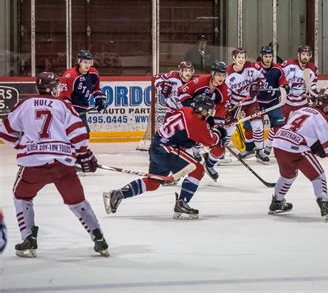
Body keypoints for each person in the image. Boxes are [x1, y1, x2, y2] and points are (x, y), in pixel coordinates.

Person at [0, 72, 109, 257]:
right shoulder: (64, 105)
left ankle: (28, 240)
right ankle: (99, 238)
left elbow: (5, 132)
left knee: (21, 196)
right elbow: (79, 133)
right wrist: (84, 154)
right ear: (54, 88)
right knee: (77, 201)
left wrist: (25, 145)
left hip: (33, 164)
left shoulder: (24, 105)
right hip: (63, 164)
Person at [103, 94, 227, 220]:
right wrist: (219, 132)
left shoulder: (186, 110)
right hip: (166, 150)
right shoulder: (195, 123)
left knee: (153, 183)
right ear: (201, 110)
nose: (210, 114)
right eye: (208, 111)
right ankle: (182, 203)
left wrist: (207, 126)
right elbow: (211, 141)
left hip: (156, 147)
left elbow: (191, 133)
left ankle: (119, 194)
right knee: (198, 169)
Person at [270, 94, 328, 221]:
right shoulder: (323, 120)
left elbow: (297, 128)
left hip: (278, 143)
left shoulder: (301, 110)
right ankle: (325, 205)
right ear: (326, 109)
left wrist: (313, 144)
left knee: (288, 176)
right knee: (318, 175)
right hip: (297, 148)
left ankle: (277, 201)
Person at [178, 61, 230, 180]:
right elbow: (182, 92)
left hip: (207, 119)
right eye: (219, 75)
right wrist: (191, 108)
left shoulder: (225, 91)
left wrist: (216, 127)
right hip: (190, 117)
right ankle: (175, 174)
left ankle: (209, 164)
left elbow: (220, 113)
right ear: (212, 74)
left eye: (223, 75)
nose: (221, 78)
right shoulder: (200, 81)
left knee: (220, 146)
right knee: (182, 145)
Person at [242, 46, 288, 157]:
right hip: (256, 103)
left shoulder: (277, 69)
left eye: (270, 57)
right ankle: (249, 149)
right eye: (266, 56)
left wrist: (285, 89)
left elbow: (283, 83)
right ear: (261, 56)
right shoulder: (254, 68)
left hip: (273, 102)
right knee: (248, 127)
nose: (268, 59)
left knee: (279, 126)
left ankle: (268, 147)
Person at [226, 47, 269, 162]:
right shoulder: (227, 73)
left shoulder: (252, 67)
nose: (241, 59)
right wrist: (227, 107)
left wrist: (257, 85)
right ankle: (220, 154)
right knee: (229, 128)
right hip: (235, 104)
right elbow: (224, 92)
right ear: (234, 58)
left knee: (258, 125)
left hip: (250, 102)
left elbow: (262, 79)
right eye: (239, 57)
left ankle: (260, 151)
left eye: (243, 57)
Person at [60, 50, 108, 132]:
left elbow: (95, 89)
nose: (87, 65)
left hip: (82, 110)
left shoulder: (93, 73)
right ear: (79, 62)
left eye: (89, 62)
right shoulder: (70, 75)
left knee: (84, 135)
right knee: (81, 134)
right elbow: (63, 97)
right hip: (70, 111)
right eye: (85, 62)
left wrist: (99, 99)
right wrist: (70, 112)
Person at [281, 45, 319, 120]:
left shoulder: (313, 69)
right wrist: (283, 84)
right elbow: (279, 75)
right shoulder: (288, 64)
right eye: (303, 54)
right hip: (286, 102)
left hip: (302, 104)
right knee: (280, 125)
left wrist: (314, 90)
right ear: (298, 55)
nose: (305, 57)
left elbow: (312, 84)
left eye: (307, 55)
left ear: (310, 56)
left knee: (304, 126)